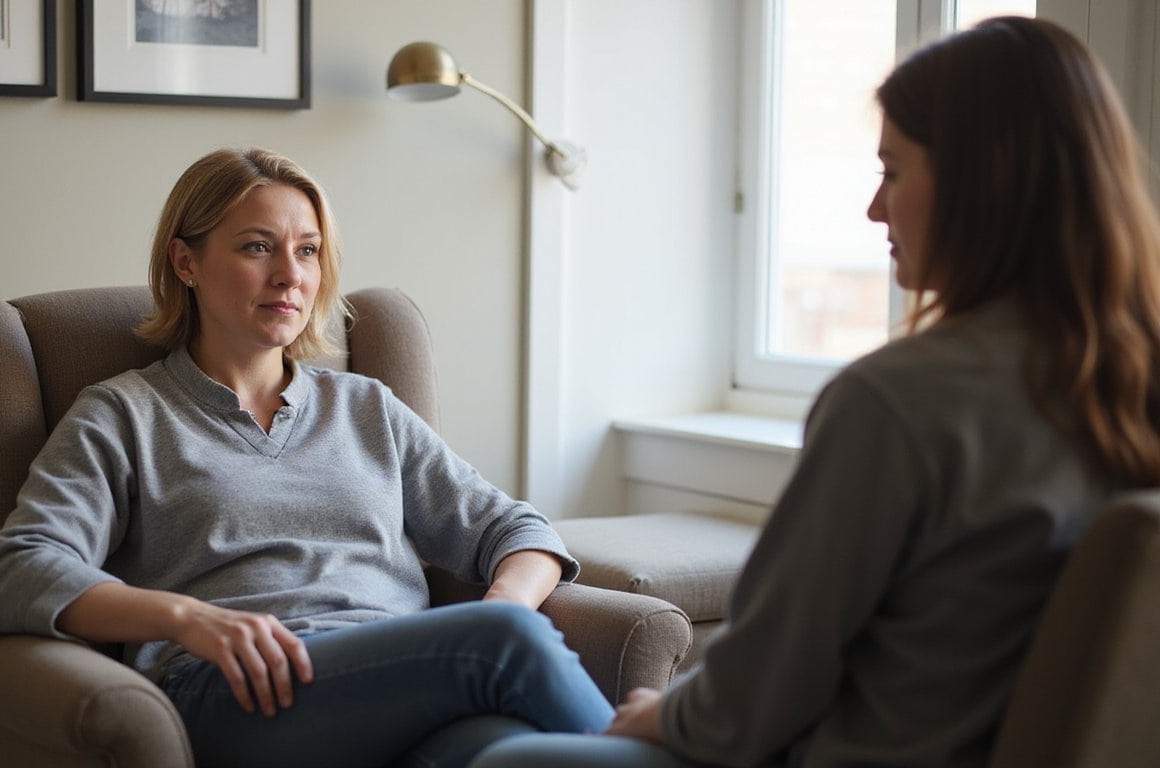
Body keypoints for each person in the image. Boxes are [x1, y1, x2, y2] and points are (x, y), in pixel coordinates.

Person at [468, 15, 1160, 768]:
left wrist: (664, 714)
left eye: (892, 171)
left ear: (980, 181)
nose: (874, 210)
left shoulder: (898, 402)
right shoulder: (1130, 383)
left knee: (509, 762)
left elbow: (756, 696)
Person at [0, 147, 614, 768]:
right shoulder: (124, 415)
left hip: (396, 680)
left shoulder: (367, 407)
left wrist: (502, 604)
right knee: (505, 645)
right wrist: (186, 619)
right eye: (258, 246)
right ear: (186, 262)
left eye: (307, 250)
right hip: (234, 691)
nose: (291, 274)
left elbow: (519, 531)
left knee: (502, 748)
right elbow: (20, 570)